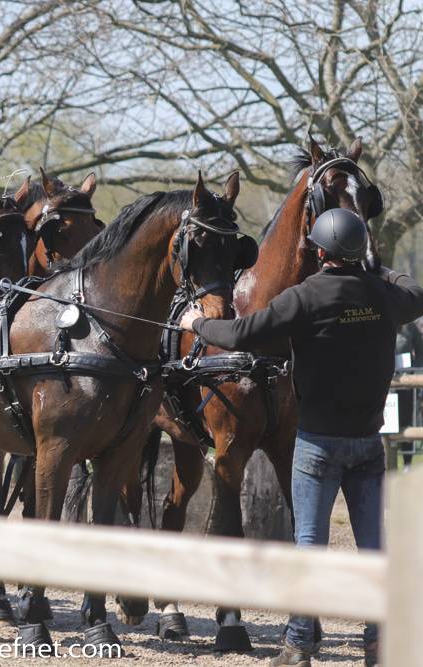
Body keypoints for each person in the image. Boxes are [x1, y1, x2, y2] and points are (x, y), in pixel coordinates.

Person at [180, 208, 423, 667]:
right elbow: (415, 292)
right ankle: (379, 642)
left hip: (317, 446)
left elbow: (241, 333)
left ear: (320, 251)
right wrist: (379, 268)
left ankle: (298, 645)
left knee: (309, 545)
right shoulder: (382, 294)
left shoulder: (305, 296)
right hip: (368, 444)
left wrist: (196, 324)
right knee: (374, 547)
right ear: (360, 250)